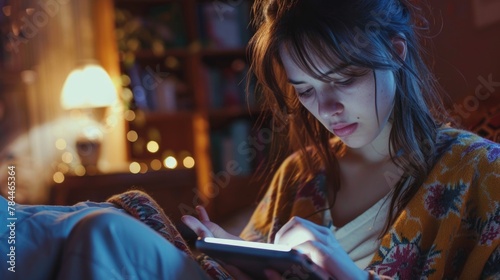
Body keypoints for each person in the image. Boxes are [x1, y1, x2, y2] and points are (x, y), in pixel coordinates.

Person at [182, 0, 500, 279]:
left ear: (395, 51)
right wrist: (235, 259)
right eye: (305, 90)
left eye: (344, 79)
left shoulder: (483, 172)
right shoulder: (297, 175)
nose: (327, 109)